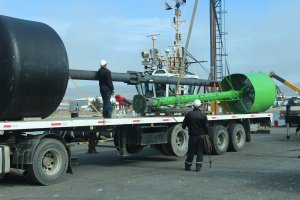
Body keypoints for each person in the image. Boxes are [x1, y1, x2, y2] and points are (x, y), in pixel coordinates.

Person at [182, 99, 209, 172]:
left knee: (191, 151)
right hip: (201, 136)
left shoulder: (188, 114)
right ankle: (198, 167)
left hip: (192, 136)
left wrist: (186, 126)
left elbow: (183, 126)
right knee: (200, 151)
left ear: (193, 105)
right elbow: (206, 127)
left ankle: (188, 166)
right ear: (200, 106)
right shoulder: (203, 115)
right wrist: (207, 134)